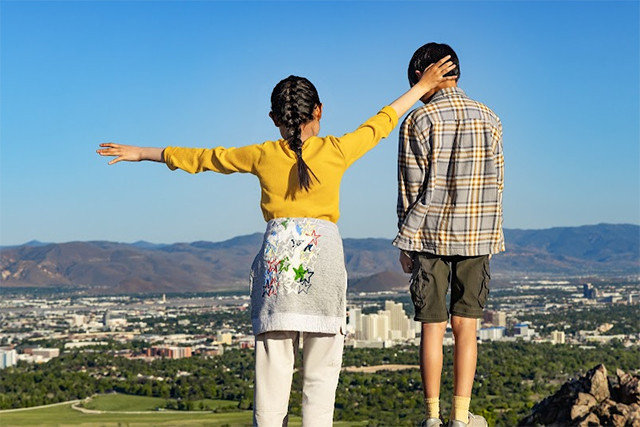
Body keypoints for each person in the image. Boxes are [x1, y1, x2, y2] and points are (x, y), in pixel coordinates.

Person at [97, 57, 456, 427]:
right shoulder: (336, 150)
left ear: (274, 120)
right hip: (324, 272)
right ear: (319, 111)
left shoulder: (263, 154)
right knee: (320, 379)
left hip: (276, 276)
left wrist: (141, 153)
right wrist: (419, 88)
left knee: (272, 378)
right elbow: (381, 122)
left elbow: (204, 159)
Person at [393, 42, 504, 427]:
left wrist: (405, 241)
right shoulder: (490, 118)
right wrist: (492, 234)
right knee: (466, 327)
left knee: (432, 327)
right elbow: (498, 182)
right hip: (477, 235)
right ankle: (460, 417)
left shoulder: (417, 122)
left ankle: (432, 417)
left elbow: (409, 187)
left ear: (423, 78)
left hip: (428, 237)